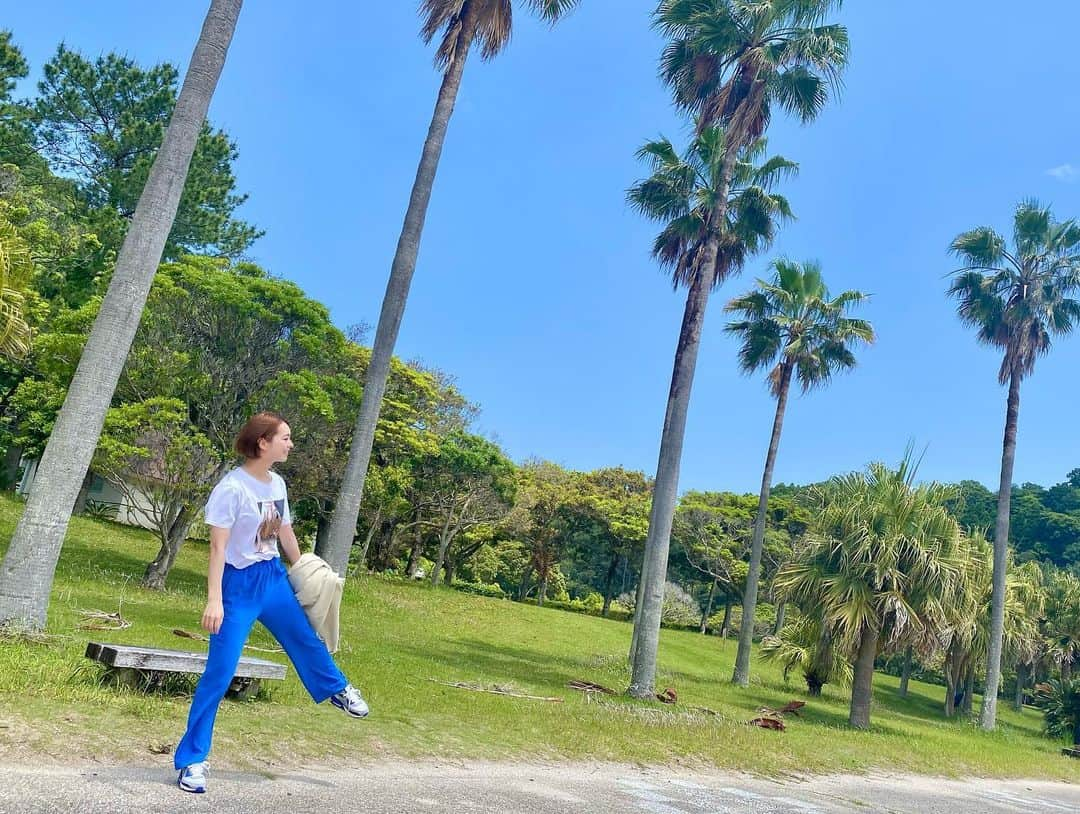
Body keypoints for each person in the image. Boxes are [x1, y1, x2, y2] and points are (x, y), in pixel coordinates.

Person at [174, 412, 368, 794]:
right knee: (220, 672)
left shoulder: (277, 483)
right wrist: (215, 600)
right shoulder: (231, 488)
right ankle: (191, 761)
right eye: (285, 437)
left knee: (305, 638)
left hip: (272, 578)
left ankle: (337, 689)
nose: (290, 443)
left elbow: (284, 532)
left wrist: (307, 572)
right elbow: (217, 547)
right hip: (237, 587)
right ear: (263, 442)